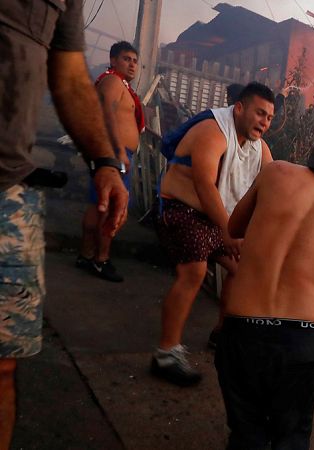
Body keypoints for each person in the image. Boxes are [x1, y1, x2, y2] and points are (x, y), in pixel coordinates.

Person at [0, 1, 129, 448]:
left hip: (7, 192)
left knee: (3, 362)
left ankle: (95, 257)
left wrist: (106, 161)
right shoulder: (114, 85)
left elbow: (69, 76)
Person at [216, 118, 314, 449]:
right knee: (290, 438)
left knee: (247, 436)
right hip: (300, 346)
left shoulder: (275, 173)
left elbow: (235, 227)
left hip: (242, 332)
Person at [152, 82, 275, 386]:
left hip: (215, 219)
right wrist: (229, 233)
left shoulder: (259, 148)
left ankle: (223, 334)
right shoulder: (213, 130)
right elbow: (205, 185)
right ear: (240, 108)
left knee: (241, 268)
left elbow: (274, 184)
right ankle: (165, 353)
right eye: (260, 113)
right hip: (181, 210)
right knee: (194, 271)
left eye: (270, 117)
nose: (264, 122)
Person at [76, 41, 144, 282]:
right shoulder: (113, 81)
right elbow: (106, 112)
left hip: (117, 153)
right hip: (115, 154)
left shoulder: (121, 85)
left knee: (101, 206)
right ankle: (100, 260)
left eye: (135, 60)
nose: (132, 64)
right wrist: (118, 150)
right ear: (113, 60)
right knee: (111, 209)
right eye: (127, 59)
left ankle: (87, 256)